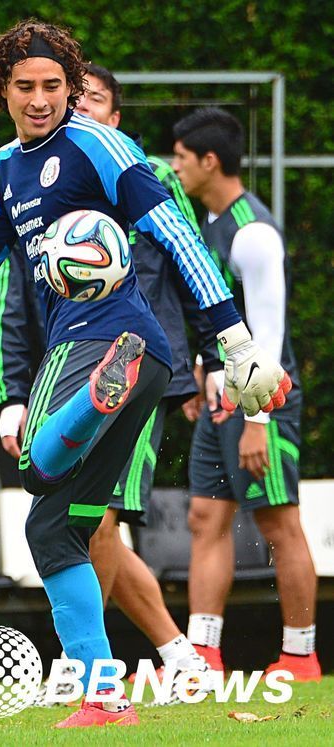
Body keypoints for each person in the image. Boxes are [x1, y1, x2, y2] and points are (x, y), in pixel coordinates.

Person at [0, 21, 291, 729]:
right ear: (1, 90)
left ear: (71, 87)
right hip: (134, 359)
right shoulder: (4, 170)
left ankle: (95, 400)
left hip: (107, 341)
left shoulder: (98, 144)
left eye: (53, 86)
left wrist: (234, 337)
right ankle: (105, 696)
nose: (40, 100)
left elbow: (176, 233)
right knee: (55, 529)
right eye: (25, 87)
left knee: (38, 470)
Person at [0, 63, 223, 703]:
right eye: (73, 98)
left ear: (114, 119)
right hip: (72, 367)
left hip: (140, 366)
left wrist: (216, 353)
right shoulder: (25, 181)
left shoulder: (141, 172)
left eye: (89, 100)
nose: (71, 109)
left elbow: (189, 256)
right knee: (87, 520)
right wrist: (9, 395)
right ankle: (175, 657)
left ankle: (84, 667)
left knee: (91, 515)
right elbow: (6, 294)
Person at [172, 107, 320, 682]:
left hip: (263, 403)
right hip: (223, 401)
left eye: (181, 158)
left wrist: (258, 419)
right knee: (204, 516)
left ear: (210, 161)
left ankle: (301, 657)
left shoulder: (252, 232)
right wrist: (203, 374)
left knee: (279, 523)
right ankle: (203, 655)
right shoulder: (208, 222)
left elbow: (268, 332)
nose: (175, 167)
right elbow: (222, 319)